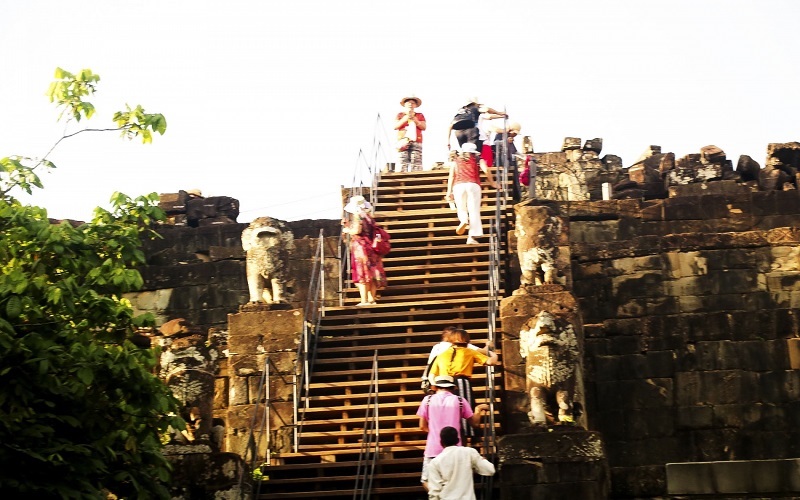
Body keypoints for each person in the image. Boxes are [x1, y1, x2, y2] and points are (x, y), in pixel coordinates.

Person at [417, 375, 490, 490]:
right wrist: (478, 409)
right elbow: (475, 423)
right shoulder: (460, 400)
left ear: (435, 387)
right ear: (453, 387)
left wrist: (434, 433)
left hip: (433, 448)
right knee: (454, 481)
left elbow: (422, 426)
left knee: (426, 480)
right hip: (455, 449)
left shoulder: (428, 400)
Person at [428, 329, 499, 441]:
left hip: (443, 386)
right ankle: (466, 435)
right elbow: (491, 362)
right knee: (465, 411)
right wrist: (492, 352)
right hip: (461, 383)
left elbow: (431, 375)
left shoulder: (441, 355)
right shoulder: (468, 351)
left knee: (450, 413)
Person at [445, 143, 499, 245]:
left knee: (461, 208)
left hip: (458, 186)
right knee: (474, 211)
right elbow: (486, 170)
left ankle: (464, 220)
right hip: (473, 184)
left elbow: (451, 176)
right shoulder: (478, 159)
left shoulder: (456, 160)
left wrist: (449, 192)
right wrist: (493, 183)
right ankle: (472, 237)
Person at [426, 426, 496, 500]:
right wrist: (480, 460)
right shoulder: (469, 452)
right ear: (458, 440)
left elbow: (434, 491)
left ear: (441, 442)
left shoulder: (435, 462)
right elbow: (490, 470)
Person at [341, 195, 386, 306]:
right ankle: (372, 299)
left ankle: (364, 300)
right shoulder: (368, 216)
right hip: (372, 246)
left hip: (361, 247)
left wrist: (347, 230)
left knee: (362, 273)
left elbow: (357, 230)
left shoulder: (357, 216)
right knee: (372, 273)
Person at [422, 326, 493, 392]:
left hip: (440, 381)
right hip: (458, 381)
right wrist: (488, 345)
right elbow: (483, 351)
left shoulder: (437, 347)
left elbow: (430, 364)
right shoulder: (463, 346)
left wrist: (433, 384)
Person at [395, 95, 427, 173]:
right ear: (405, 104)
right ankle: (401, 177)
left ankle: (416, 177)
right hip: (403, 139)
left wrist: (415, 120)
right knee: (402, 159)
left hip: (416, 140)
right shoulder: (400, 115)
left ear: (415, 105)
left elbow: (424, 127)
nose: (410, 104)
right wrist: (405, 118)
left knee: (416, 160)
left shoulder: (419, 115)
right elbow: (395, 126)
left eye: (412, 103)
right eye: (408, 103)